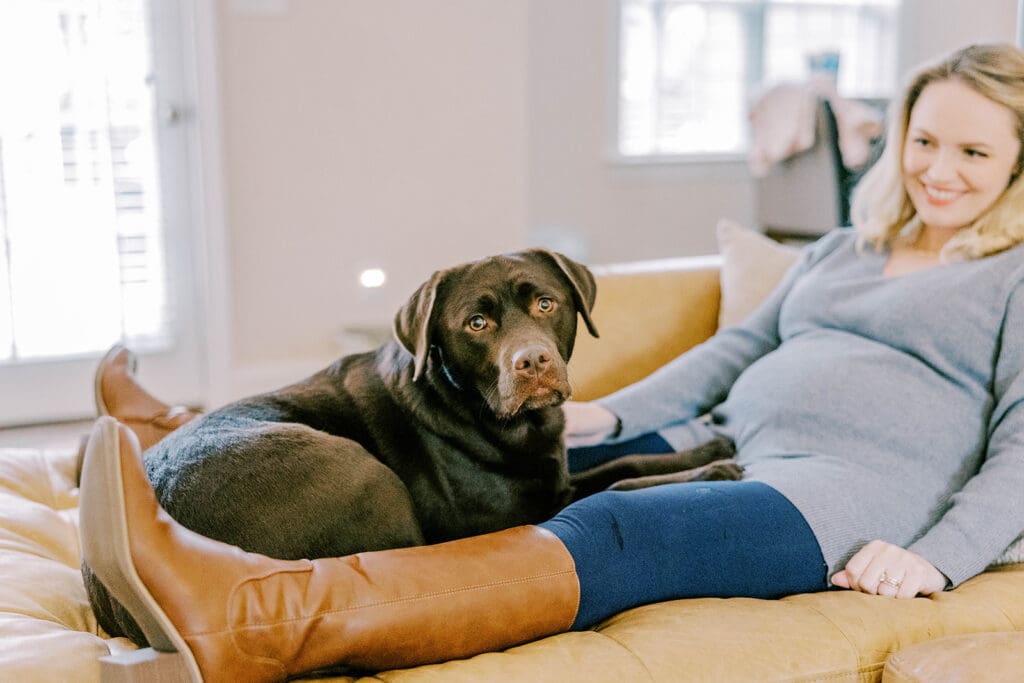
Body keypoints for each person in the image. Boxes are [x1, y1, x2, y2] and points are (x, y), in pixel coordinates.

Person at [79, 42, 1024, 683]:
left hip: (841, 494)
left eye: (974, 150)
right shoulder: (842, 249)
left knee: (613, 523)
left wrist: (937, 557)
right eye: (924, 138)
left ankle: (258, 616)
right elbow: (736, 351)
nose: (938, 168)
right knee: (505, 456)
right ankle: (185, 437)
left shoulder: (1013, 276)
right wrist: (604, 414)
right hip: (730, 434)